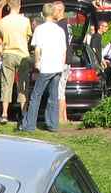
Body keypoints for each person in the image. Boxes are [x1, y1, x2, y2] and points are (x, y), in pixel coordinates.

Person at [20, 3, 66, 132]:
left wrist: (37, 62)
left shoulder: (40, 29)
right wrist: (61, 65)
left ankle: (29, 125)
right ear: (53, 13)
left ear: (42, 14)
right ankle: (53, 124)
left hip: (46, 66)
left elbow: (37, 49)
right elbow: (64, 50)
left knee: (36, 96)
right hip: (57, 67)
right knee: (53, 96)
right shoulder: (59, 30)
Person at [0, 0, 32, 124]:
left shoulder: (2, 22)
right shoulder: (25, 21)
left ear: (8, 6)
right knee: (23, 85)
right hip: (22, 54)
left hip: (8, 53)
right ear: (19, 6)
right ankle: (24, 113)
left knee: (6, 84)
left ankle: (4, 114)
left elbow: (0, 39)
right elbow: (28, 37)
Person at [53, 1, 72, 125]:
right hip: (68, 60)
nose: (52, 12)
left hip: (62, 61)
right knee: (62, 90)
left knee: (59, 91)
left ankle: (59, 119)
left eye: (53, 10)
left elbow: (60, 46)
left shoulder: (60, 26)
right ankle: (64, 118)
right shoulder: (68, 24)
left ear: (59, 10)